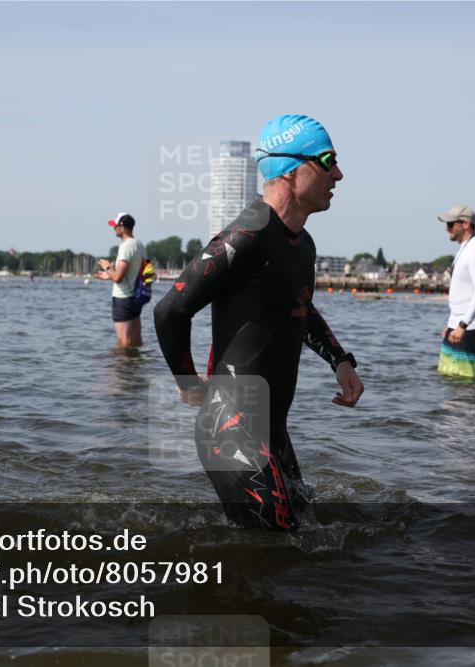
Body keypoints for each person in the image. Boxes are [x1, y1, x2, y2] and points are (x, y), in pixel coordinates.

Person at [154, 114, 363, 531]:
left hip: (273, 429)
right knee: (275, 551)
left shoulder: (302, 244)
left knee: (299, 538)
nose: (338, 174)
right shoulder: (245, 236)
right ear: (289, 169)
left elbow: (299, 306)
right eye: (328, 160)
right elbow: (170, 310)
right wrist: (188, 383)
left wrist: (340, 361)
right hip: (231, 427)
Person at [437, 204, 475, 380]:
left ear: (465, 224)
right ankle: (452, 409)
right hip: (457, 323)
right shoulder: (465, 248)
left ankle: (473, 408)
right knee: (448, 375)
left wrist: (463, 324)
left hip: (471, 326)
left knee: (468, 380)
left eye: (451, 224)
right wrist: (451, 323)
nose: (447, 229)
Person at [97, 212, 146, 347]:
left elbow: (118, 277)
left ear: (122, 227)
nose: (114, 228)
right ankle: (135, 366)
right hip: (136, 297)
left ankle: (123, 367)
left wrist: (107, 267)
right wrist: (109, 275)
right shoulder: (139, 245)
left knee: (123, 342)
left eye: (115, 226)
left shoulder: (126, 246)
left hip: (124, 298)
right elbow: (133, 272)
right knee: (136, 340)